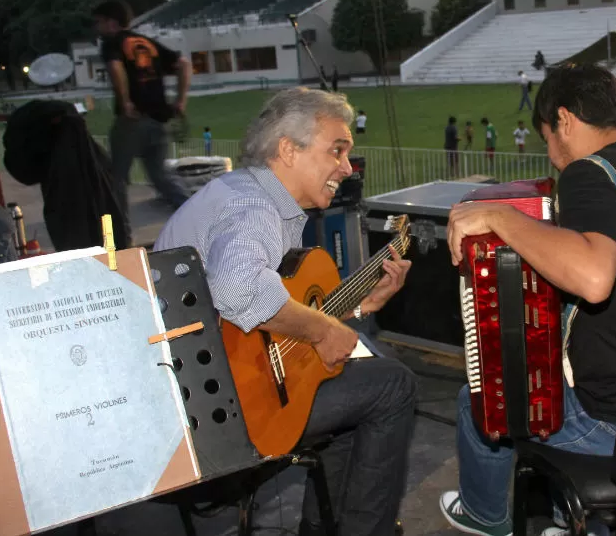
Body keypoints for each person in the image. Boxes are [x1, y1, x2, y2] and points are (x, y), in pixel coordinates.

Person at [439, 63, 616, 536]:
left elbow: (593, 278)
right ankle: (572, 520)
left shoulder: (590, 170)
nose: (551, 154)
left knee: (479, 396)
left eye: (547, 136)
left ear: (564, 121)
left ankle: (485, 515)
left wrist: (501, 219)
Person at [154, 87, 418, 536]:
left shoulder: (245, 194)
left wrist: (352, 308)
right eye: (337, 150)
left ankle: (324, 526)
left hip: (209, 392)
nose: (347, 168)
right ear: (287, 150)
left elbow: (268, 318)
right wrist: (322, 331)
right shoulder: (253, 207)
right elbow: (239, 289)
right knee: (394, 385)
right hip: (214, 415)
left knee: (351, 387)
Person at [93, 0, 192, 209]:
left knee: (116, 177)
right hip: (159, 119)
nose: (98, 28)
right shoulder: (147, 43)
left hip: (133, 120)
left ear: (112, 23)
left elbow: (115, 67)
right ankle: (195, 215)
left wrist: (125, 100)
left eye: (100, 22)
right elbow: (183, 64)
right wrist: (181, 100)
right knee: (160, 176)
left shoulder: (112, 43)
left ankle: (120, 233)